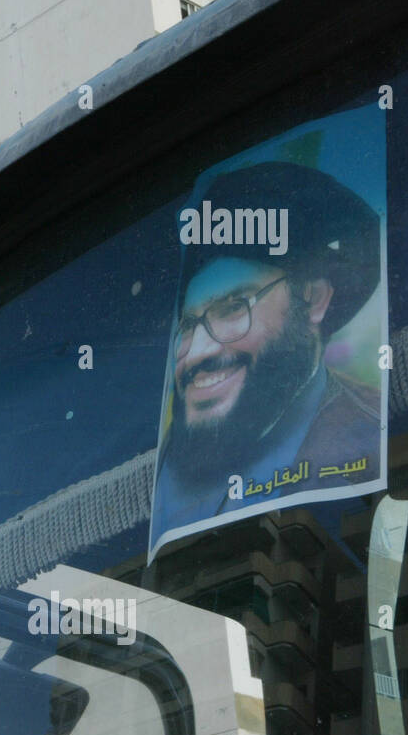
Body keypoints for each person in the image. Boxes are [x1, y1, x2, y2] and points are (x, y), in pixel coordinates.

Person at [152, 162, 383, 543]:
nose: (197, 352)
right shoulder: (153, 476)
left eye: (233, 308)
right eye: (188, 325)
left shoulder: (371, 437)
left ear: (313, 299)